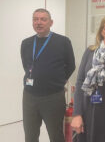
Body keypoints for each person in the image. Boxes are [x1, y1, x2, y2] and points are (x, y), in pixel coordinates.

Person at [21, 8, 75, 142]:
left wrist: (58, 82)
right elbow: (27, 66)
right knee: (30, 135)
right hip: (29, 96)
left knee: (56, 135)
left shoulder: (63, 42)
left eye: (43, 19)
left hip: (53, 97)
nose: (38, 22)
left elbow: (71, 65)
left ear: (51, 22)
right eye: (35, 19)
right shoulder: (26, 43)